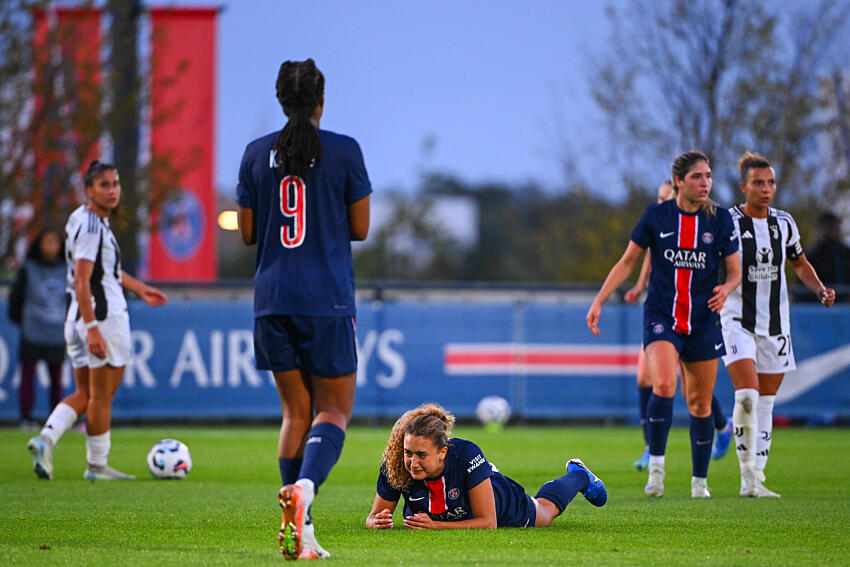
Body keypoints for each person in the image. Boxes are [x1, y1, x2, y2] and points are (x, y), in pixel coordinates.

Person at [235, 59, 371, 560]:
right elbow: (360, 228)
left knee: (296, 412)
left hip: (271, 299)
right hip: (327, 298)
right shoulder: (344, 150)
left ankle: (303, 531)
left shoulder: (254, 154)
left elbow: (248, 233)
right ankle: (305, 491)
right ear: (321, 99)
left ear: (281, 100)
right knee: (333, 410)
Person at [587, 151, 741, 498]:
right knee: (664, 384)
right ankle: (656, 469)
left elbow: (734, 270)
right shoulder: (657, 215)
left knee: (701, 402)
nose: (705, 183)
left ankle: (699, 483)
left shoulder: (719, 219)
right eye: (697, 177)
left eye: (708, 176)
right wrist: (599, 301)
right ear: (678, 182)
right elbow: (628, 261)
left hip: (702, 320)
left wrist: (727, 288)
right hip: (661, 316)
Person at [27, 160, 167, 480]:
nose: (112, 190)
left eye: (115, 183)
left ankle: (45, 438)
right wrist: (93, 328)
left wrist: (141, 288)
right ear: (89, 190)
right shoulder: (92, 227)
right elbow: (82, 278)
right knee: (101, 397)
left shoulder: (82, 219)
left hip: (76, 317)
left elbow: (109, 273)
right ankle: (97, 465)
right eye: (104, 185)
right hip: (101, 319)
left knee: (85, 394)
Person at [721, 152, 836, 498]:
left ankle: (758, 475)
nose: (766, 189)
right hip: (736, 319)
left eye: (770, 182)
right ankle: (746, 476)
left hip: (775, 324)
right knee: (747, 395)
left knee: (767, 403)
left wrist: (819, 289)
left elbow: (800, 263)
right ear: (744, 187)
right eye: (758, 183)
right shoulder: (728, 223)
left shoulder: (784, 223)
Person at [624, 181, 733, 470]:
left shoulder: (695, 223)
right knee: (647, 377)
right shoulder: (658, 223)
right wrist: (638, 286)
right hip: (661, 312)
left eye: (665, 198)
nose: (661, 203)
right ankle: (652, 448)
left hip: (690, 314)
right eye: (658, 198)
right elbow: (649, 256)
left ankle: (722, 427)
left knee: (689, 388)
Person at [366, 403, 606, 530]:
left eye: (421, 454)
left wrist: (435, 526)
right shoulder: (396, 463)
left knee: (546, 513)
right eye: (408, 453)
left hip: (498, 500)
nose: (412, 462)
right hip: (448, 511)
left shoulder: (466, 454)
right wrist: (376, 522)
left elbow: (488, 523)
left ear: (442, 452)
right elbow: (373, 517)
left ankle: (579, 475)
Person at [9, 228, 67, 427]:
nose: (51, 247)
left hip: (57, 333)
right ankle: (26, 417)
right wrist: (23, 321)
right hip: (32, 332)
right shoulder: (29, 269)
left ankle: (56, 421)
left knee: (56, 380)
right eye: (47, 242)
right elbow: (16, 299)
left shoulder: (67, 269)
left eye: (55, 242)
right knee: (27, 376)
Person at [802, 212, 850, 301]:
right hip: (822, 306)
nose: (833, 230)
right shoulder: (814, 255)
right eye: (830, 227)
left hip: (845, 305)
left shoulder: (846, 253)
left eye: (835, 227)